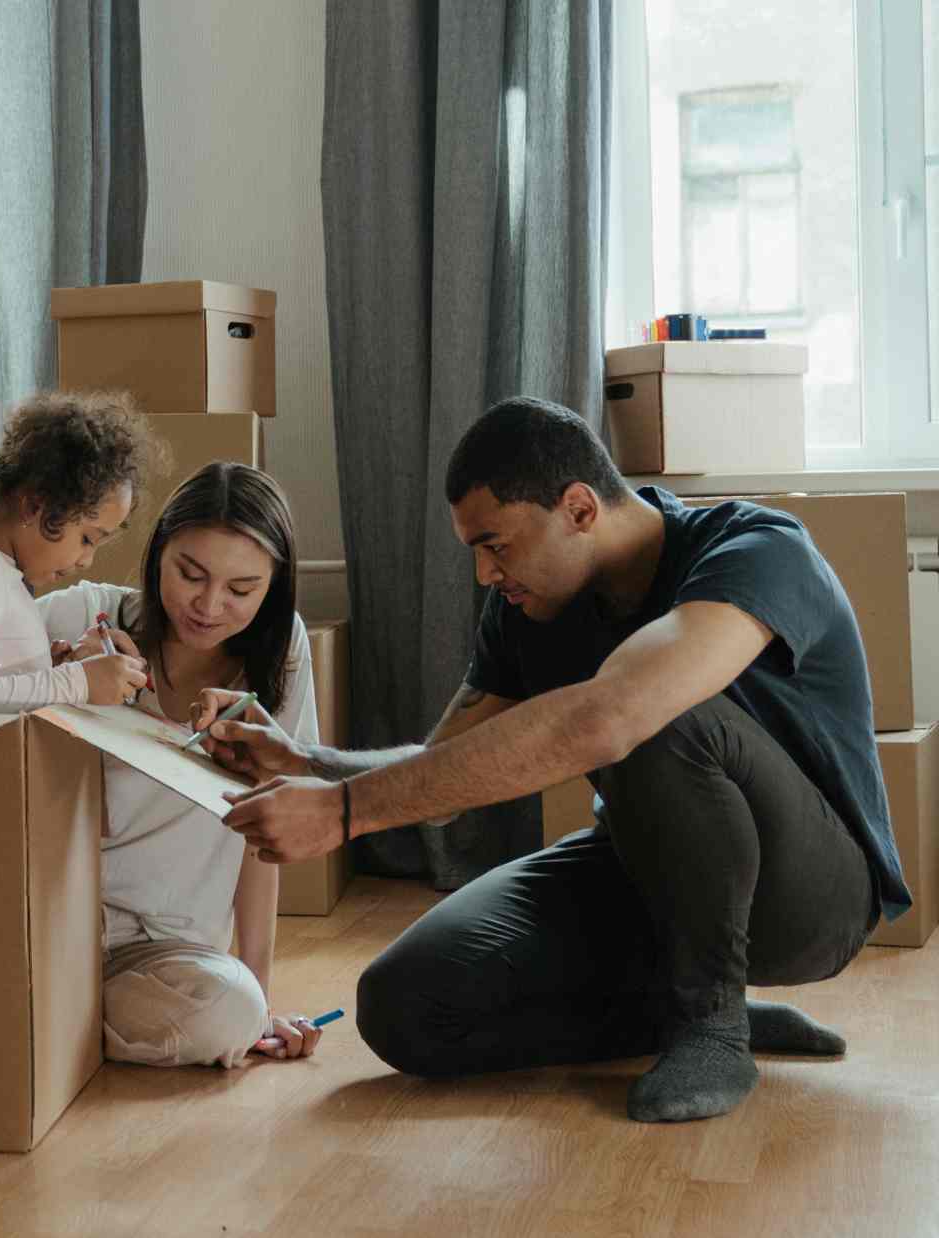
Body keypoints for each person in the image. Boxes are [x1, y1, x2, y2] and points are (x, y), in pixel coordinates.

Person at [199, 396, 910, 1122]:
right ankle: (676, 1010)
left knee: (654, 712)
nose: (483, 574)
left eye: (497, 545)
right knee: (404, 1006)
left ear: (578, 508)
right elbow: (444, 772)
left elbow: (616, 716)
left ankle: (712, 1024)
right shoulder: (527, 609)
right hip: (648, 874)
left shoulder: (757, 549)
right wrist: (309, 765)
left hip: (812, 898)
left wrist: (344, 815)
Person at [0, 461, 330, 1068]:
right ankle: (42, 1018)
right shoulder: (87, 614)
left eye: (242, 590)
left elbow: (264, 834)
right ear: (157, 554)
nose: (208, 604)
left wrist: (261, 998)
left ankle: (35, 1023)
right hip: (49, 924)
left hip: (166, 953)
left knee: (232, 1011)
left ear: (273, 587)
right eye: (189, 574)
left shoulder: (283, 657)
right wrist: (62, 674)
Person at [0, 390, 156, 713]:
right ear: (34, 505)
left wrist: (45, 672)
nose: (87, 560)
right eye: (87, 539)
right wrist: (76, 682)